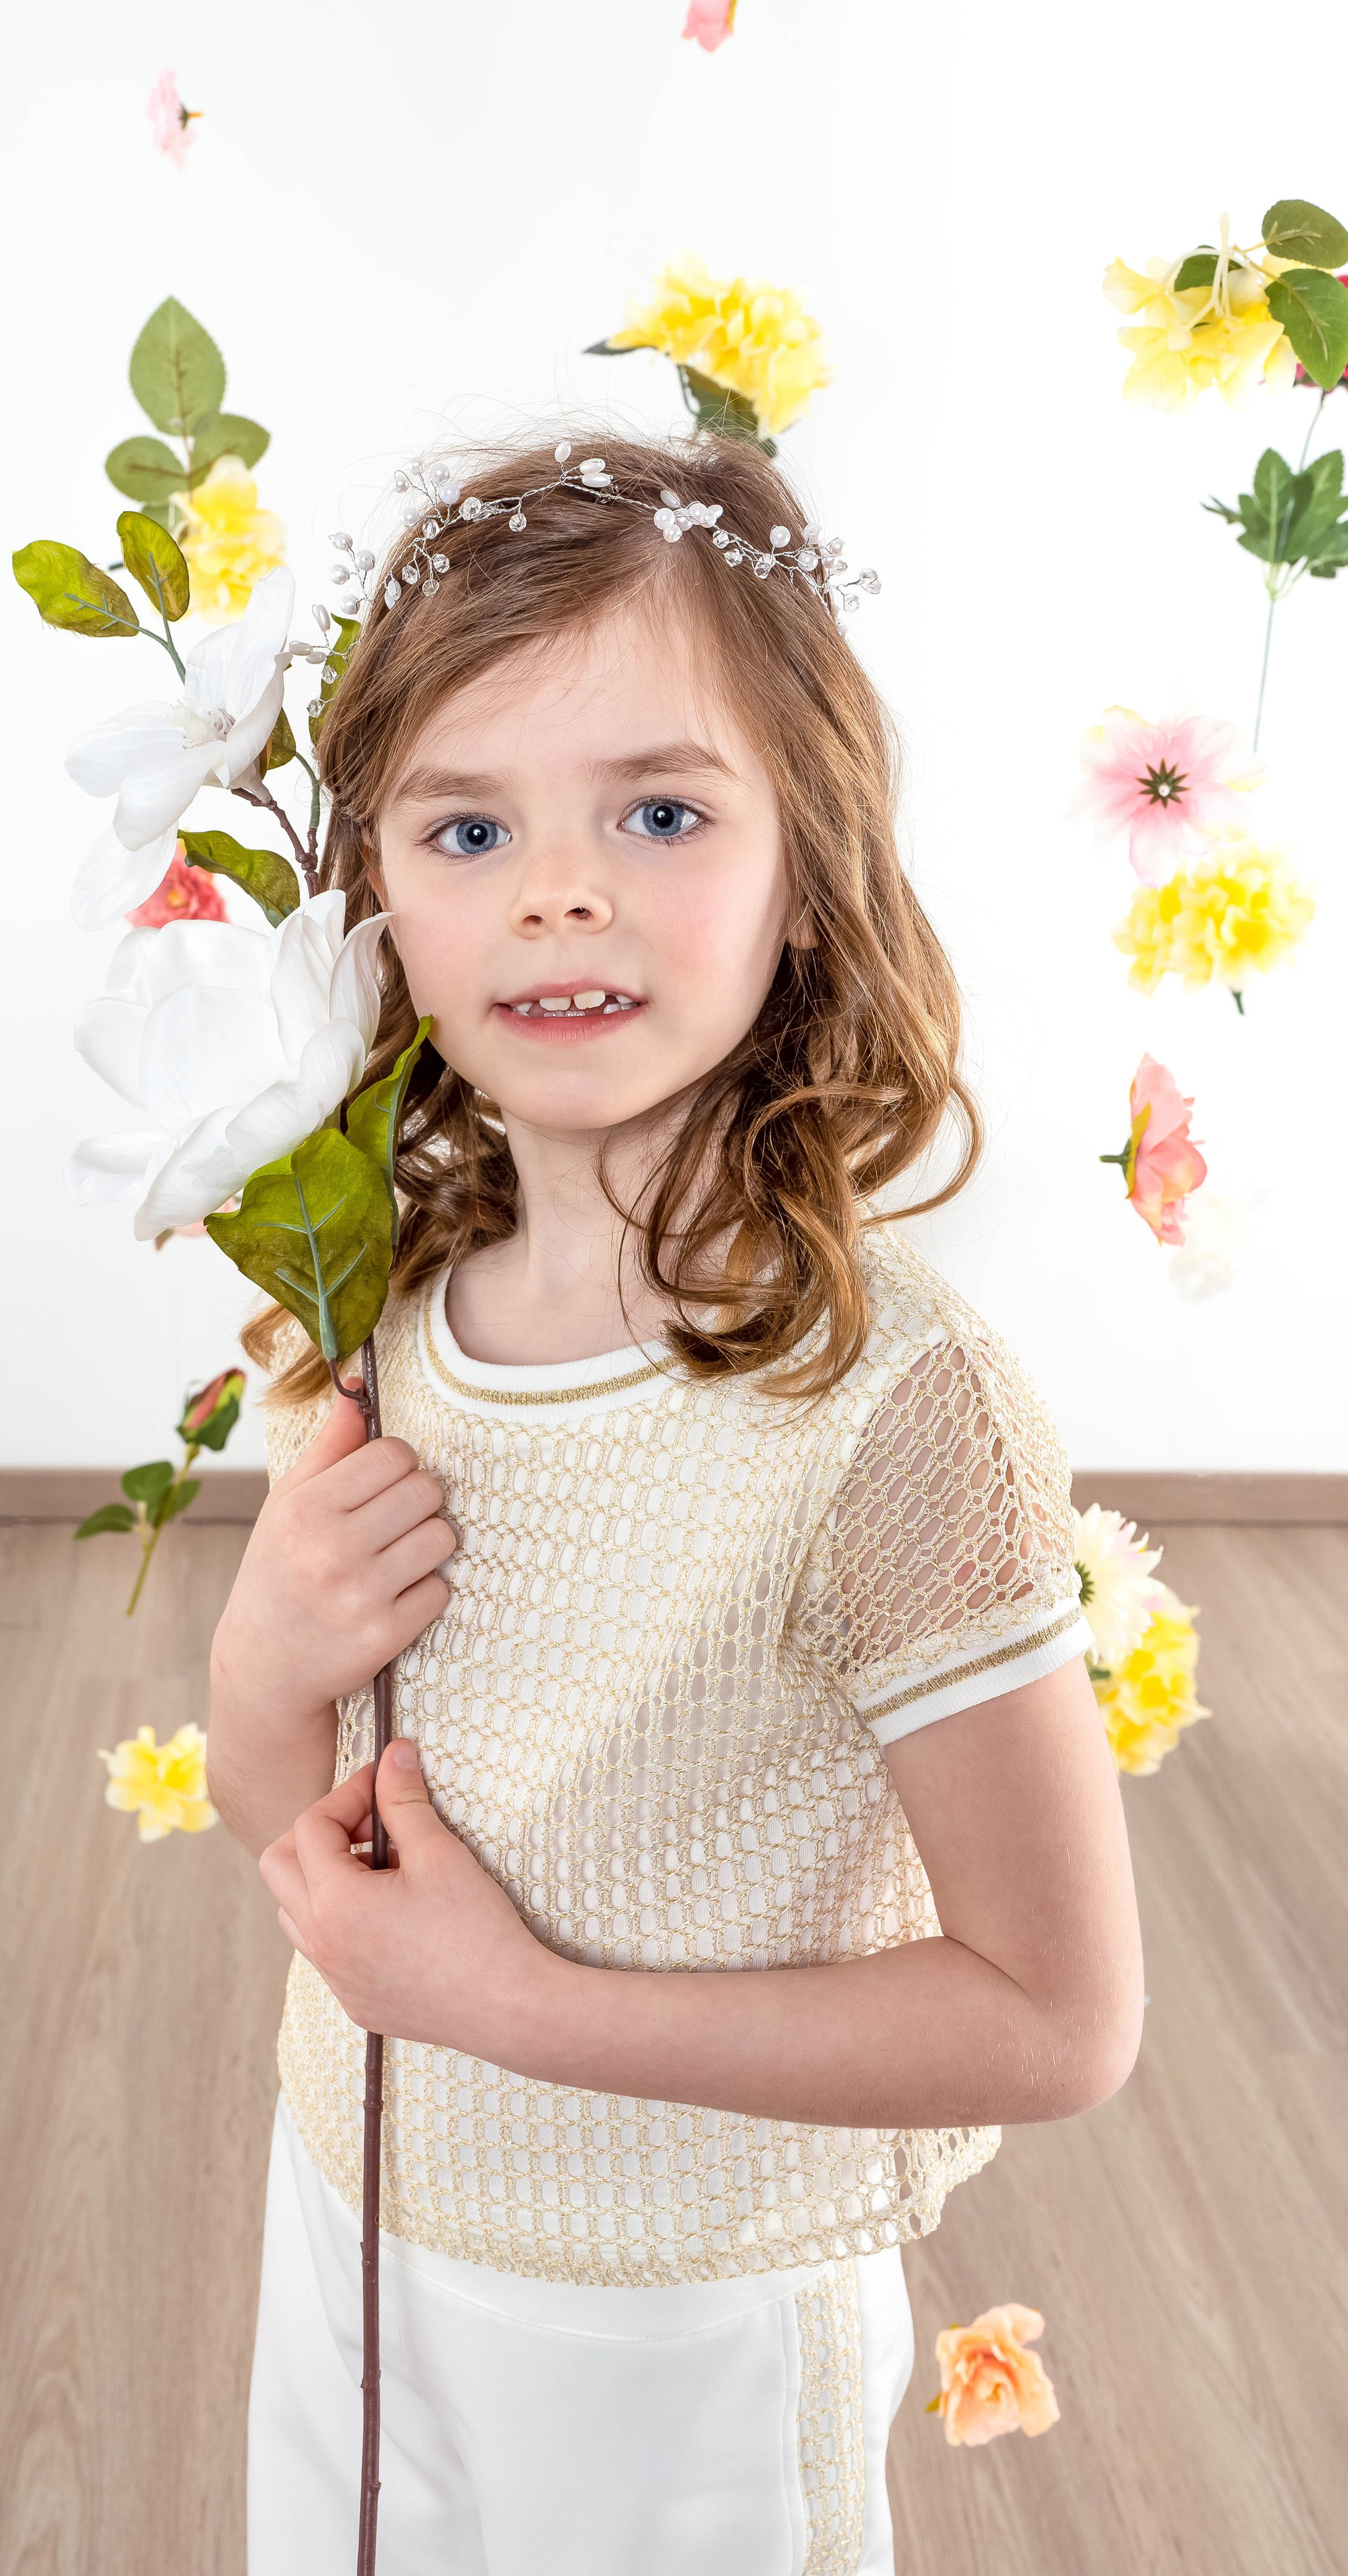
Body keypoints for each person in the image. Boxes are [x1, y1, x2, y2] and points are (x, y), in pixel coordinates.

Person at [206, 431, 1144, 2576]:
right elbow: (302, 1822)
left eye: (658, 811)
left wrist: (525, 2010)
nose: (561, 890)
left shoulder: (894, 1412)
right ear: (378, 902)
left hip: (679, 2327)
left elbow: (1059, 2018)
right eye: (471, 825)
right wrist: (267, 1655)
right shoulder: (376, 1329)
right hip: (358, 2230)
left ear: (806, 861)